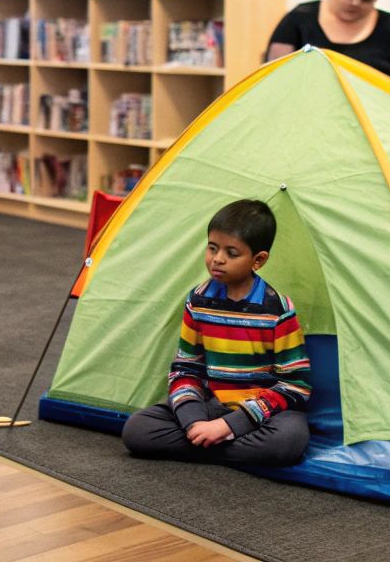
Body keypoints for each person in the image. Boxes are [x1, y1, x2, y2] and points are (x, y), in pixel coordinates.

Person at [121, 199, 310, 467]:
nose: (217, 259)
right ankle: (210, 440)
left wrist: (228, 425)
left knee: (288, 440)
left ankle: (206, 443)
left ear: (258, 260)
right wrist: (195, 421)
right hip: (211, 405)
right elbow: (185, 368)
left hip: (261, 413)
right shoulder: (197, 300)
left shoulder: (278, 309)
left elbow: (295, 385)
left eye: (232, 253)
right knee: (137, 430)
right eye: (212, 248)